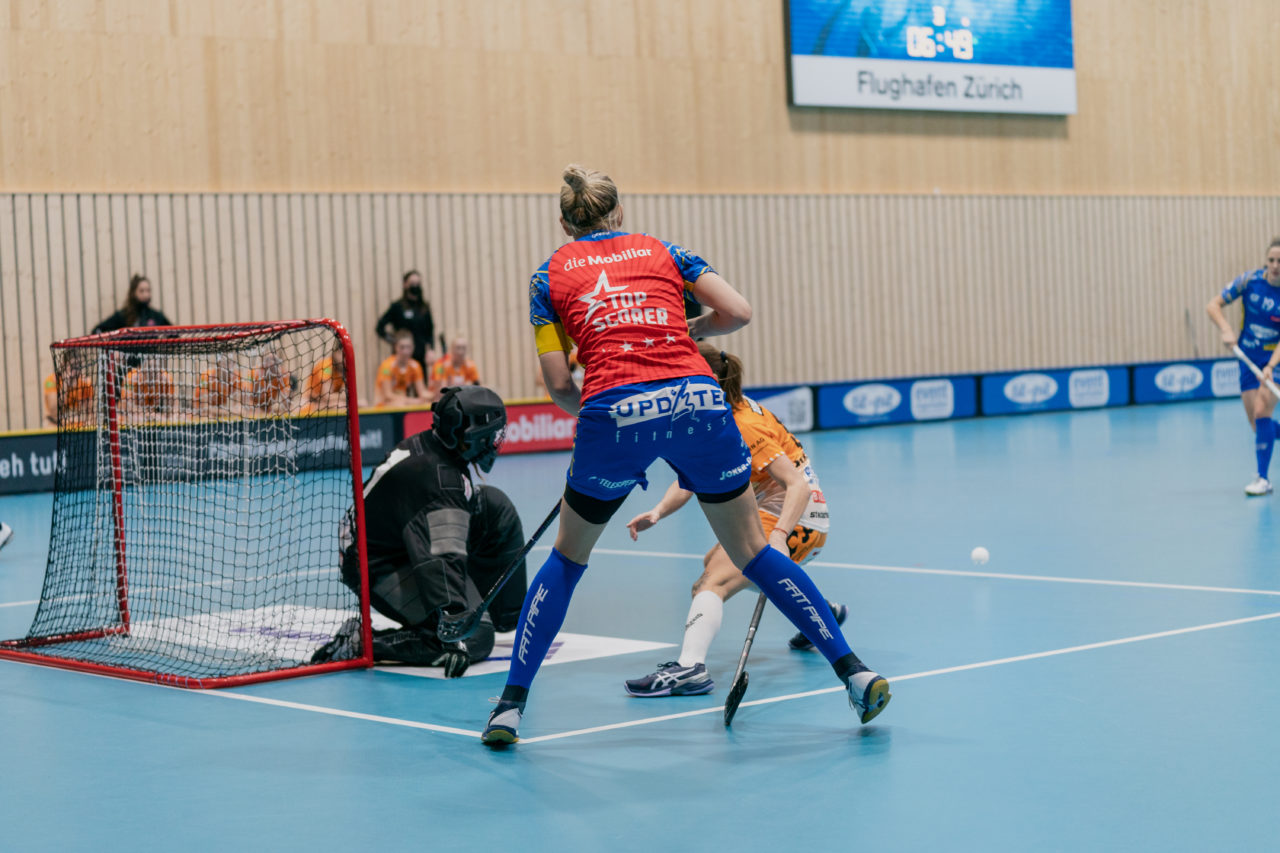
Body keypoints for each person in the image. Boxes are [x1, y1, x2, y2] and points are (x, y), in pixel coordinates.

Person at [480, 165, 889, 745]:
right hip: (698, 400)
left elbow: (559, 385)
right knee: (752, 553)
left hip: (614, 411)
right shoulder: (665, 251)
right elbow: (739, 313)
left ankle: (509, 707)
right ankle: (854, 672)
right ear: (619, 212)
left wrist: (604, 415)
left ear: (566, 221)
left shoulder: (546, 277)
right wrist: (685, 329)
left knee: (567, 562)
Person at [623, 344, 846, 696]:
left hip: (795, 516)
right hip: (772, 510)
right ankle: (820, 610)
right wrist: (658, 511)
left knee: (712, 583)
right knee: (715, 563)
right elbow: (696, 476)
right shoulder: (720, 412)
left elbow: (797, 485)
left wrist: (779, 536)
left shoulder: (743, 424)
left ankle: (690, 669)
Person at [312, 386, 527, 677]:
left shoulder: (437, 450)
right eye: (493, 436)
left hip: (395, 538)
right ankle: (363, 643)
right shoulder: (441, 482)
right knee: (475, 638)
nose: (497, 442)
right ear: (473, 438)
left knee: (493, 507)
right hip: (374, 563)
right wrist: (454, 621)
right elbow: (439, 558)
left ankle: (504, 614)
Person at [1207, 237, 1280, 495]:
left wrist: (1271, 366)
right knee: (1257, 424)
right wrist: (1226, 330)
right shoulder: (1249, 281)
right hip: (1247, 359)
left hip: (1276, 361)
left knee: (1262, 411)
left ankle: (1263, 479)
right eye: (1271, 260)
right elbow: (1213, 305)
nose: (1275, 266)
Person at [375, 270, 436, 367]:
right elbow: (379, 327)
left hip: (420, 355)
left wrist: (431, 350)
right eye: (412, 283)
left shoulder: (424, 307)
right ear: (405, 284)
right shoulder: (397, 306)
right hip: (402, 355)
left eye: (417, 283)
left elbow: (430, 331)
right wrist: (394, 340)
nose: (415, 286)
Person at [93, 274, 173, 334]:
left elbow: (173, 333)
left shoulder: (157, 316)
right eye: (141, 291)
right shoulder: (123, 315)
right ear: (133, 293)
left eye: (148, 290)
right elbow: (97, 330)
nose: (146, 295)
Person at [374, 331, 430, 407]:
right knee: (401, 404)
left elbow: (422, 393)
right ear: (395, 347)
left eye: (408, 347)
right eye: (402, 347)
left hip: (402, 405)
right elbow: (388, 395)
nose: (405, 351)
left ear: (413, 347)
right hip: (383, 407)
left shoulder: (415, 366)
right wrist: (413, 401)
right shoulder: (387, 366)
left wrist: (435, 394)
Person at [302, 342, 351, 414]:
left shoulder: (343, 369)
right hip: (310, 401)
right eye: (342, 354)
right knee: (340, 406)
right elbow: (327, 397)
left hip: (325, 403)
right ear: (336, 353)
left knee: (360, 404)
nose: (345, 357)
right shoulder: (327, 366)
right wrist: (345, 396)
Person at [42, 362, 94, 427]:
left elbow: (90, 413)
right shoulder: (52, 380)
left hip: (78, 425)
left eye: (77, 365)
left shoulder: (85, 382)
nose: (75, 369)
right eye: (71, 366)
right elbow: (54, 412)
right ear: (63, 366)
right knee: (48, 424)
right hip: (55, 423)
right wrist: (65, 384)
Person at [246, 349, 293, 415]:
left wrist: (280, 408)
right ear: (263, 365)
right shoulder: (253, 373)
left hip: (270, 407)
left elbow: (286, 401)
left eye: (274, 360)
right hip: (255, 407)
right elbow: (246, 400)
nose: (271, 364)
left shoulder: (282, 374)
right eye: (268, 360)